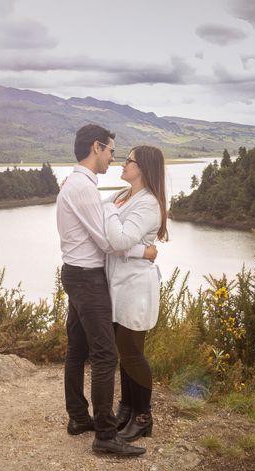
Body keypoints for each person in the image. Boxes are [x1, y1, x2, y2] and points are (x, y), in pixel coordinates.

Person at [56, 124, 156, 456]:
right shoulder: (83, 188)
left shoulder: (79, 184)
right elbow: (109, 242)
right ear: (97, 147)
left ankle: (78, 418)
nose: (113, 158)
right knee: (105, 355)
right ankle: (104, 435)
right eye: (112, 151)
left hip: (76, 273)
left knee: (77, 349)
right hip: (87, 278)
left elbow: (108, 229)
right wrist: (145, 251)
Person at [102, 145, 168, 442]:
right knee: (123, 352)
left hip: (135, 288)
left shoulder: (148, 204)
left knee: (133, 353)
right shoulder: (120, 196)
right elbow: (107, 236)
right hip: (118, 285)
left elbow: (119, 240)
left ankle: (143, 417)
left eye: (129, 160)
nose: (123, 163)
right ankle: (127, 408)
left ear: (142, 167)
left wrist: (109, 217)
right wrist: (144, 250)